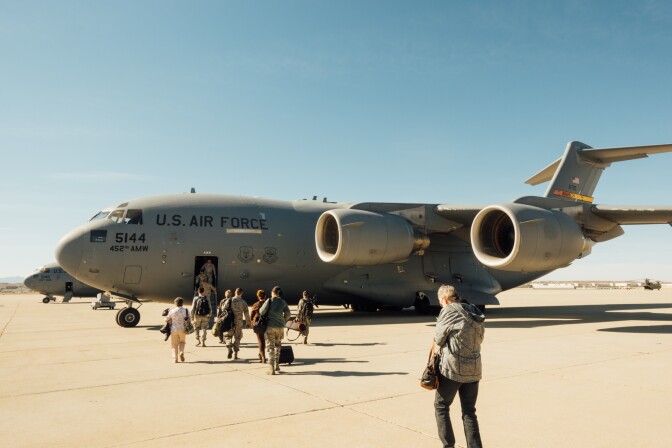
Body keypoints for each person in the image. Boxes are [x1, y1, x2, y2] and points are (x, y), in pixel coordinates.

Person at [433, 285, 485, 448]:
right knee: (469, 412)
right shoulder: (473, 311)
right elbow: (481, 338)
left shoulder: (449, 311)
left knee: (441, 406)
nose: (441, 305)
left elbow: (439, 339)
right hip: (474, 369)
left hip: (453, 370)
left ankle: (449, 445)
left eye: (441, 302)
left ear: (445, 299)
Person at [259, 285, 291, 375]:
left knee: (270, 347)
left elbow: (261, 311)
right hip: (280, 327)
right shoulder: (283, 302)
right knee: (278, 345)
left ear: (272, 292)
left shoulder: (269, 300)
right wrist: (283, 320)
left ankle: (271, 368)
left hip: (270, 327)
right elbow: (288, 314)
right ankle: (277, 365)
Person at [222, 287, 250, 360]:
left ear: (235, 292)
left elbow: (223, 308)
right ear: (241, 293)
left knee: (227, 335)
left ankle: (229, 347)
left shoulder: (230, 300)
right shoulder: (243, 302)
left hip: (230, 321)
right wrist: (248, 323)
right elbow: (246, 313)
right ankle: (235, 355)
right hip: (239, 321)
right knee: (238, 337)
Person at [166, 297, 188, 363]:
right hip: (183, 329)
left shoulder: (172, 311)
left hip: (174, 329)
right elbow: (189, 319)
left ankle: (175, 358)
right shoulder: (186, 310)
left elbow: (167, 319)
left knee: (174, 345)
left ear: (175, 303)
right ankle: (181, 352)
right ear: (182, 303)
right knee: (182, 342)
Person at [249, 289, 267, 363]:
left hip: (258, 324)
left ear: (258, 296)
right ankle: (261, 354)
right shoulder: (268, 304)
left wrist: (251, 322)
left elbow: (252, 315)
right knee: (266, 340)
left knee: (260, 340)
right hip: (267, 323)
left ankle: (262, 356)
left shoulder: (256, 304)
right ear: (265, 296)